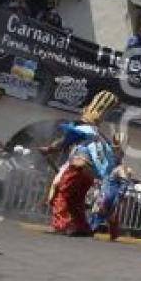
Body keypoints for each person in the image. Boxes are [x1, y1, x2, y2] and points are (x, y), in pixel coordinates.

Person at [40, 91, 120, 237]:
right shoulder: (99, 135)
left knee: (62, 195)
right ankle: (82, 227)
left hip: (77, 167)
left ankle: (60, 224)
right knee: (76, 201)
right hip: (89, 174)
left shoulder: (79, 126)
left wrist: (48, 149)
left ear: (86, 110)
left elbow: (63, 142)